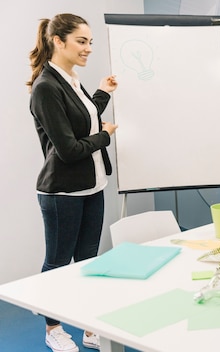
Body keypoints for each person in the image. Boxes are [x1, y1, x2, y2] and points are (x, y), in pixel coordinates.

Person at [26, 13, 118, 352]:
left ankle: (89, 325)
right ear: (58, 41)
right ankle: (53, 328)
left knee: (88, 260)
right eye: (82, 41)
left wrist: (102, 94)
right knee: (57, 263)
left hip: (92, 186)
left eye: (90, 41)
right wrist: (105, 136)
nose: (89, 48)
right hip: (62, 192)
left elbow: (83, 120)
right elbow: (68, 149)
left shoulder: (71, 78)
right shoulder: (46, 87)